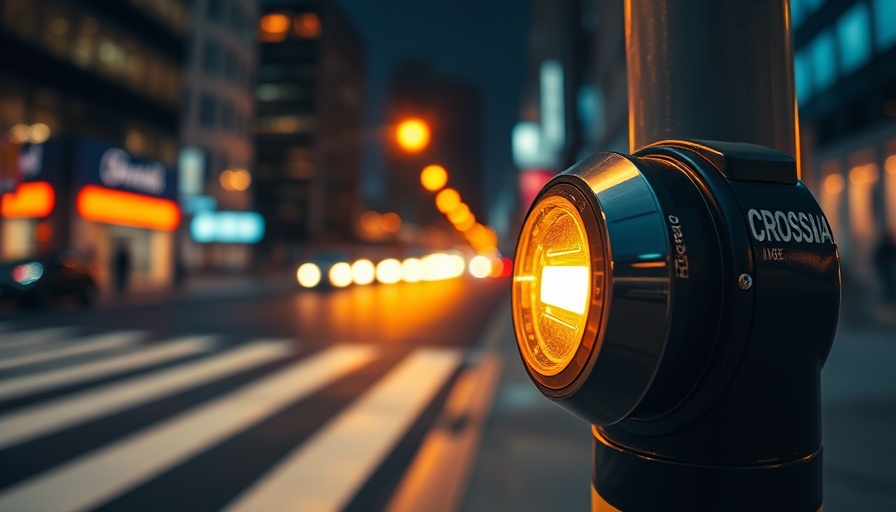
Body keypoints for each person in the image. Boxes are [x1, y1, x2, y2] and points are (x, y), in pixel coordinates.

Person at [873, 230, 896, 303]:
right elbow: (877, 257)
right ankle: (888, 298)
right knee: (887, 283)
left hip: (889, 268)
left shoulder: (889, 246)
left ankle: (889, 298)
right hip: (885, 269)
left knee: (889, 283)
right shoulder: (883, 247)